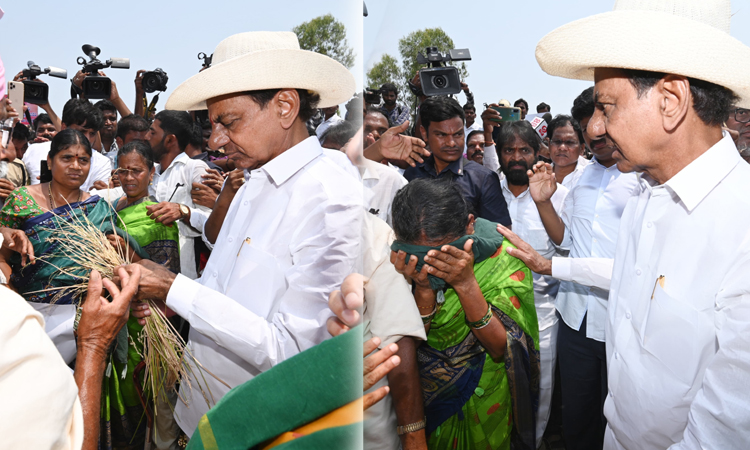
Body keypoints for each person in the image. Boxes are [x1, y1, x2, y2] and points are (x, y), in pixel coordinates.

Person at [534, 0, 750, 448]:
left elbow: (722, 432)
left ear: (670, 102)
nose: (594, 128)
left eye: (606, 107)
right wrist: (551, 266)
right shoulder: (644, 199)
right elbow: (632, 280)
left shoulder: (741, 226)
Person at [125, 30, 361, 439]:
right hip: (205, 419)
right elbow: (224, 289)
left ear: (285, 106)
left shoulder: (329, 194)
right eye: (212, 124)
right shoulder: (252, 179)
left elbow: (297, 354)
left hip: (258, 432)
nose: (215, 140)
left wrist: (173, 289)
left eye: (228, 122)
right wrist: (170, 301)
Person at [390, 179, 538, 449]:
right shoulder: (396, 262)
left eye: (444, 253)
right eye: (423, 255)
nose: (432, 263)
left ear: (470, 224)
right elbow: (407, 345)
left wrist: (466, 284)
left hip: (486, 391)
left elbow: (502, 348)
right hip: (424, 397)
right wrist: (423, 289)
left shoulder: (505, 258)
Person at [496, 120, 569, 448]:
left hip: (543, 314)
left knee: (540, 392)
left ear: (536, 152)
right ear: (498, 154)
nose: (516, 157)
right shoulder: (485, 189)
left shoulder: (559, 196)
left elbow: (568, 251)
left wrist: (545, 201)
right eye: (508, 150)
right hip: (491, 312)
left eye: (524, 150)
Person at [404, 95, 512, 226]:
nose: (451, 143)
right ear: (424, 133)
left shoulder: (483, 179)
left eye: (458, 134)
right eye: (441, 135)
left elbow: (501, 234)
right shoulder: (412, 174)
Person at [145, 110, 212, 280]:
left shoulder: (195, 169)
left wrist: (184, 211)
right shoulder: (150, 171)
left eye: (153, 132)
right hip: (149, 270)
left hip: (184, 278)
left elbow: (213, 225)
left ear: (169, 140)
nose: (147, 137)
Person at [22, 99, 113, 191]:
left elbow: (94, 201)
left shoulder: (102, 163)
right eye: (81, 131)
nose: (87, 139)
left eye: (92, 133)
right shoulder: (33, 151)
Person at [547, 115, 588, 189]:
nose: (562, 148)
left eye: (570, 142)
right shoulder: (539, 177)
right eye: (557, 141)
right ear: (549, 145)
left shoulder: (591, 175)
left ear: (582, 149)